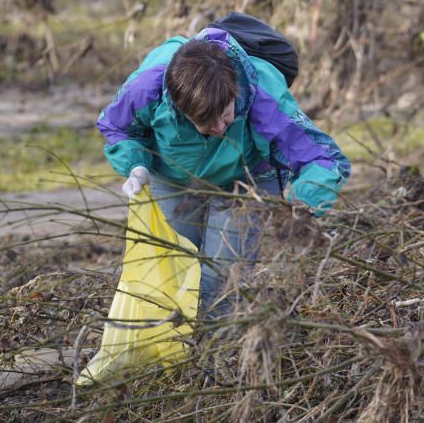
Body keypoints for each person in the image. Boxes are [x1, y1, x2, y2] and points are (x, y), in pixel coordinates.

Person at [96, 24, 350, 319]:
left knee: (221, 282)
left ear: (234, 92)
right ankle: (175, 353)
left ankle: (217, 359)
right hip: (172, 178)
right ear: (178, 106)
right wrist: (135, 165)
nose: (218, 128)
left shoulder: (261, 92)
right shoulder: (148, 86)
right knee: (171, 273)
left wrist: (303, 203)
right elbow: (118, 126)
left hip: (245, 180)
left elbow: (323, 156)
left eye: (225, 115)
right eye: (204, 121)